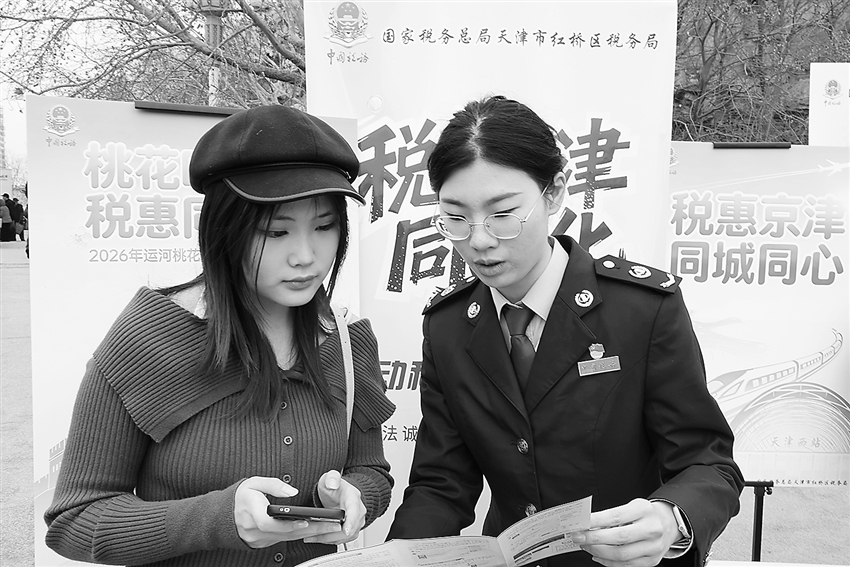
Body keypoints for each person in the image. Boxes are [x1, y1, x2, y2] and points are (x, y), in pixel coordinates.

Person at [387, 96, 743, 567]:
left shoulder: (640, 310)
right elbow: (441, 483)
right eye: (456, 217)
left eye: (502, 214)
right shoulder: (448, 326)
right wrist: (398, 557)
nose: (479, 240)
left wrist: (671, 518)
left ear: (554, 192)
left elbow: (708, 462)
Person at [45, 105, 396, 567]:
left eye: (325, 227)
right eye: (276, 231)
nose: (306, 256)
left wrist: (355, 497)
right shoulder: (147, 338)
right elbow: (75, 520)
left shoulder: (347, 340)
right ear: (224, 230)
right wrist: (219, 518)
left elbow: (372, 471)